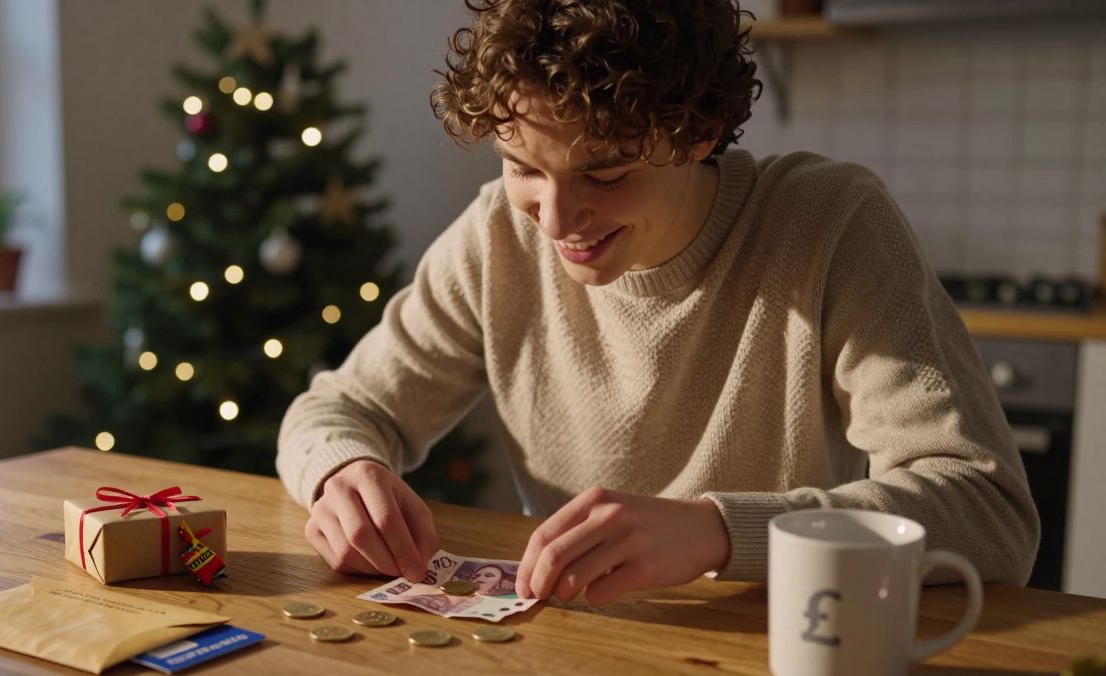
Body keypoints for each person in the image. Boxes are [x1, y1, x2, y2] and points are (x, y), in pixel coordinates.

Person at [276, 0, 1039, 606]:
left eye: (605, 176)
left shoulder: (831, 224)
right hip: (583, 661)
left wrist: (719, 531)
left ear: (699, 130)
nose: (556, 220)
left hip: (788, 661)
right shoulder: (497, 236)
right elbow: (333, 411)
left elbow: (988, 512)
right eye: (521, 167)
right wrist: (341, 474)